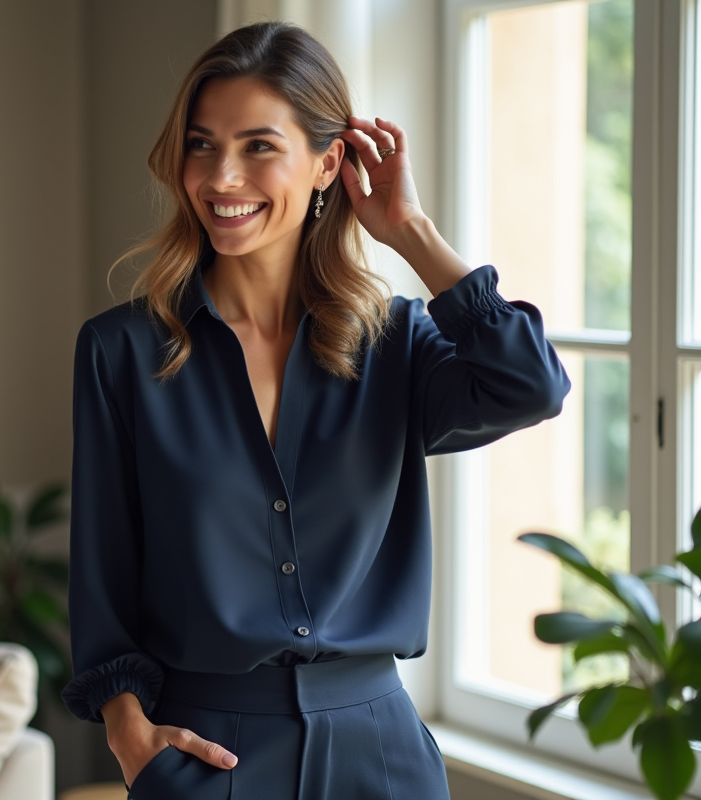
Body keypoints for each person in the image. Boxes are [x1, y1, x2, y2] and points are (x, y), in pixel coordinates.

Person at [61, 21, 570, 800]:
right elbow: (103, 580)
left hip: (382, 755)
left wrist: (412, 234)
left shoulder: (395, 344)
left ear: (328, 162)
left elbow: (530, 384)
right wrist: (135, 742)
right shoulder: (121, 353)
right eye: (202, 145)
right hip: (208, 756)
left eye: (259, 146)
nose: (221, 177)